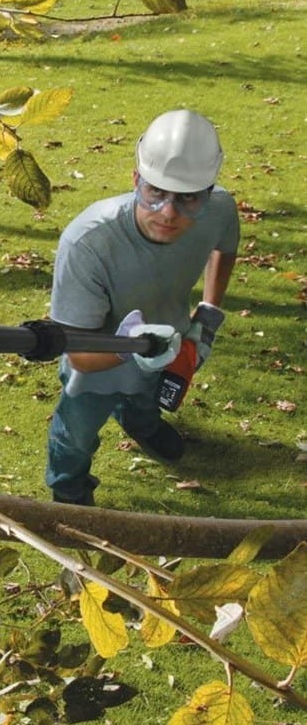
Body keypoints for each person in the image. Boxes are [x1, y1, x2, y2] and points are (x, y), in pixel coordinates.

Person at [45, 109, 240, 505]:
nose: (168, 213)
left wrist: (208, 312)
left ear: (207, 193)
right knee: (77, 434)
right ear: (136, 180)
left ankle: (143, 426)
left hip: (171, 340)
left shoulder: (219, 209)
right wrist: (126, 350)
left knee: (148, 397)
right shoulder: (88, 243)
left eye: (187, 198)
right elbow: (78, 354)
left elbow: (226, 247)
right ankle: (68, 490)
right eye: (156, 193)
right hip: (98, 360)